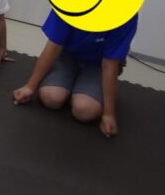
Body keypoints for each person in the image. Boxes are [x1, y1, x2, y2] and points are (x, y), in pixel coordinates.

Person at [13, 10, 138, 138]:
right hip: (67, 55)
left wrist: (108, 114)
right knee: (51, 98)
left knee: (85, 111)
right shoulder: (67, 4)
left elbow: (110, 64)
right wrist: (30, 86)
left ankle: (82, 90)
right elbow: (54, 45)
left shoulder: (125, 14)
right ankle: (70, 85)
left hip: (98, 65)